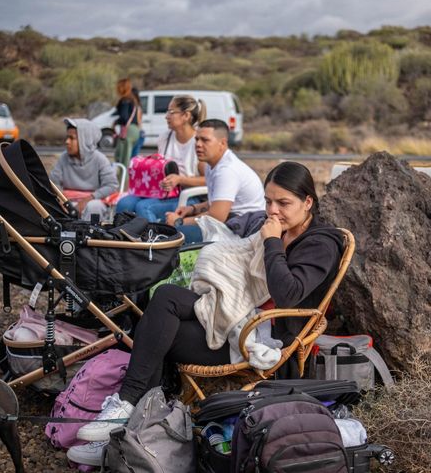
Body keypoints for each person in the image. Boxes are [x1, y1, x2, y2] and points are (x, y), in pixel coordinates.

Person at [69, 162, 345, 461]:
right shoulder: (282, 228)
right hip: (241, 314)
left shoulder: (319, 244)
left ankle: (122, 425)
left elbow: (288, 295)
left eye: (283, 202)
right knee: (164, 298)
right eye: (268, 201)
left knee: (158, 336)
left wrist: (272, 241)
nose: (273, 210)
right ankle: (127, 418)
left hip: (262, 338)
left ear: (307, 202)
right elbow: (241, 263)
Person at [166, 119, 265, 244]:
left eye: (205, 140)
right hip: (231, 222)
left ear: (222, 143)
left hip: (243, 232)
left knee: (173, 234)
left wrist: (179, 222)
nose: (198, 144)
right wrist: (192, 208)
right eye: (196, 139)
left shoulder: (227, 170)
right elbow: (218, 201)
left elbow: (217, 216)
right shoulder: (211, 164)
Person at [115, 95, 207, 222]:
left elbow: (209, 180)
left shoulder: (198, 143)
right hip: (161, 192)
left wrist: (180, 179)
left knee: (144, 207)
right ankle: (123, 239)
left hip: (189, 196)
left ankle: (156, 240)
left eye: (171, 112)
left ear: (186, 116)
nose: (166, 116)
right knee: (124, 204)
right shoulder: (165, 138)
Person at [49, 118, 119, 222]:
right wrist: (60, 199)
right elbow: (54, 183)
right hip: (68, 200)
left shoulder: (100, 159)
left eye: (72, 138)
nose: (67, 142)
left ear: (85, 140)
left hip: (93, 200)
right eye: (67, 137)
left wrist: (88, 199)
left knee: (93, 207)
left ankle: (89, 237)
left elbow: (111, 185)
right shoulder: (63, 158)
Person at [113, 79, 143, 167]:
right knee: (130, 159)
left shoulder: (125, 100)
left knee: (123, 159)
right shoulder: (133, 100)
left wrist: (116, 122)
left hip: (128, 131)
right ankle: (129, 179)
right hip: (135, 130)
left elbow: (124, 117)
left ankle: (122, 180)